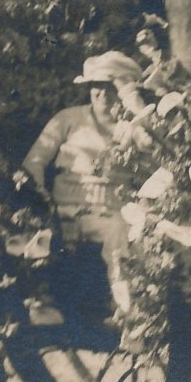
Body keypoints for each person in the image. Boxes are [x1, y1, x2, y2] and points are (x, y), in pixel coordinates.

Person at [21, 51, 144, 327]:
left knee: (120, 232)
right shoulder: (68, 119)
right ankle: (43, 305)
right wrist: (39, 198)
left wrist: (136, 110)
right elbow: (35, 162)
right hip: (65, 208)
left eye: (110, 86)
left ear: (124, 90)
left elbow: (156, 162)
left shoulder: (135, 127)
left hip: (113, 212)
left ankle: (126, 310)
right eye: (95, 86)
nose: (101, 93)